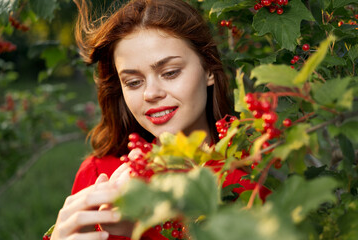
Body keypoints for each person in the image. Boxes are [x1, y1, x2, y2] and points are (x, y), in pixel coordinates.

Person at [50, 0, 270, 239]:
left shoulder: (253, 179)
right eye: (133, 82)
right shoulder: (99, 175)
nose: (150, 93)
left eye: (170, 73)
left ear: (208, 69)